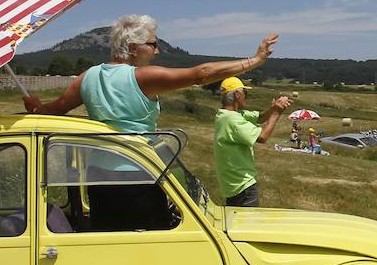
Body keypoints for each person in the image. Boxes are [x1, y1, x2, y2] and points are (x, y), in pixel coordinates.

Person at [23, 14, 279, 132]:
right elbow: (202, 74)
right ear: (134, 49)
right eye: (153, 45)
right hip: (137, 172)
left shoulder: (87, 76)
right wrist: (255, 60)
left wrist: (35, 107)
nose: (156, 51)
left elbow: (53, 111)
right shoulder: (141, 78)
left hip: (97, 172)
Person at [212, 77, 291, 207]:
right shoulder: (232, 120)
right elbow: (262, 137)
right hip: (242, 186)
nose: (246, 97)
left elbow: (259, 118)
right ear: (237, 95)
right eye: (245, 93)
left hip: (233, 186)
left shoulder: (226, 114)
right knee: (246, 224)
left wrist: (273, 108)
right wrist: (277, 112)